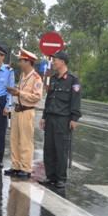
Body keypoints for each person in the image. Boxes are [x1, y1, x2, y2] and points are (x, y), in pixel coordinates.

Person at [38, 50, 82, 188]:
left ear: (62, 61)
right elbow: (49, 100)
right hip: (50, 118)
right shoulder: (54, 79)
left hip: (63, 120)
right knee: (49, 148)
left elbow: (76, 100)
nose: (53, 63)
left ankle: (61, 178)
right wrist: (44, 116)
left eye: (55, 60)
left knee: (61, 149)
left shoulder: (73, 80)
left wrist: (74, 118)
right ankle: (50, 176)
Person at [4, 48, 43, 180]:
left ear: (28, 62)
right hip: (17, 110)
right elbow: (20, 90)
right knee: (15, 138)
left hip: (27, 111)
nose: (19, 63)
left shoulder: (36, 78)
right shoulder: (22, 76)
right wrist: (14, 91)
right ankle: (16, 166)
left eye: (22, 60)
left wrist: (20, 93)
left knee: (26, 140)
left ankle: (26, 168)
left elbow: (37, 96)